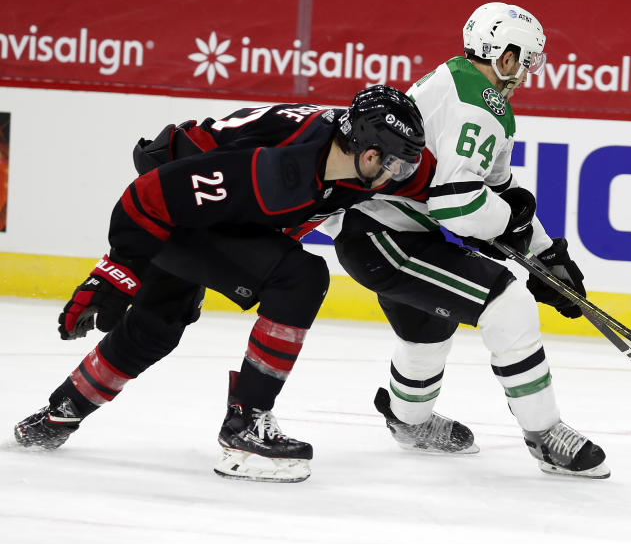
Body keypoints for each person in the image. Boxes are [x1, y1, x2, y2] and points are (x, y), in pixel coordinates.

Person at [13, 85, 426, 483]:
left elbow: (425, 183)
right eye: (396, 165)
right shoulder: (280, 168)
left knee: (157, 325)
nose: (399, 175)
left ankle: (59, 413)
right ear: (370, 154)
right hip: (173, 210)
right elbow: (149, 197)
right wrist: (118, 270)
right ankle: (246, 426)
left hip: (209, 210)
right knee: (300, 278)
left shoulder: (345, 148)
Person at [325, 3, 609, 478]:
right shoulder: (476, 102)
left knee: (427, 327)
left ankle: (408, 421)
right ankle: (544, 435)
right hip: (386, 238)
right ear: (503, 53)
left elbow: (497, 194)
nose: (528, 70)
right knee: (507, 302)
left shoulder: (462, 85)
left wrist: (545, 254)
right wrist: (511, 232)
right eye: (526, 58)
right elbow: (457, 207)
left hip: (386, 231)